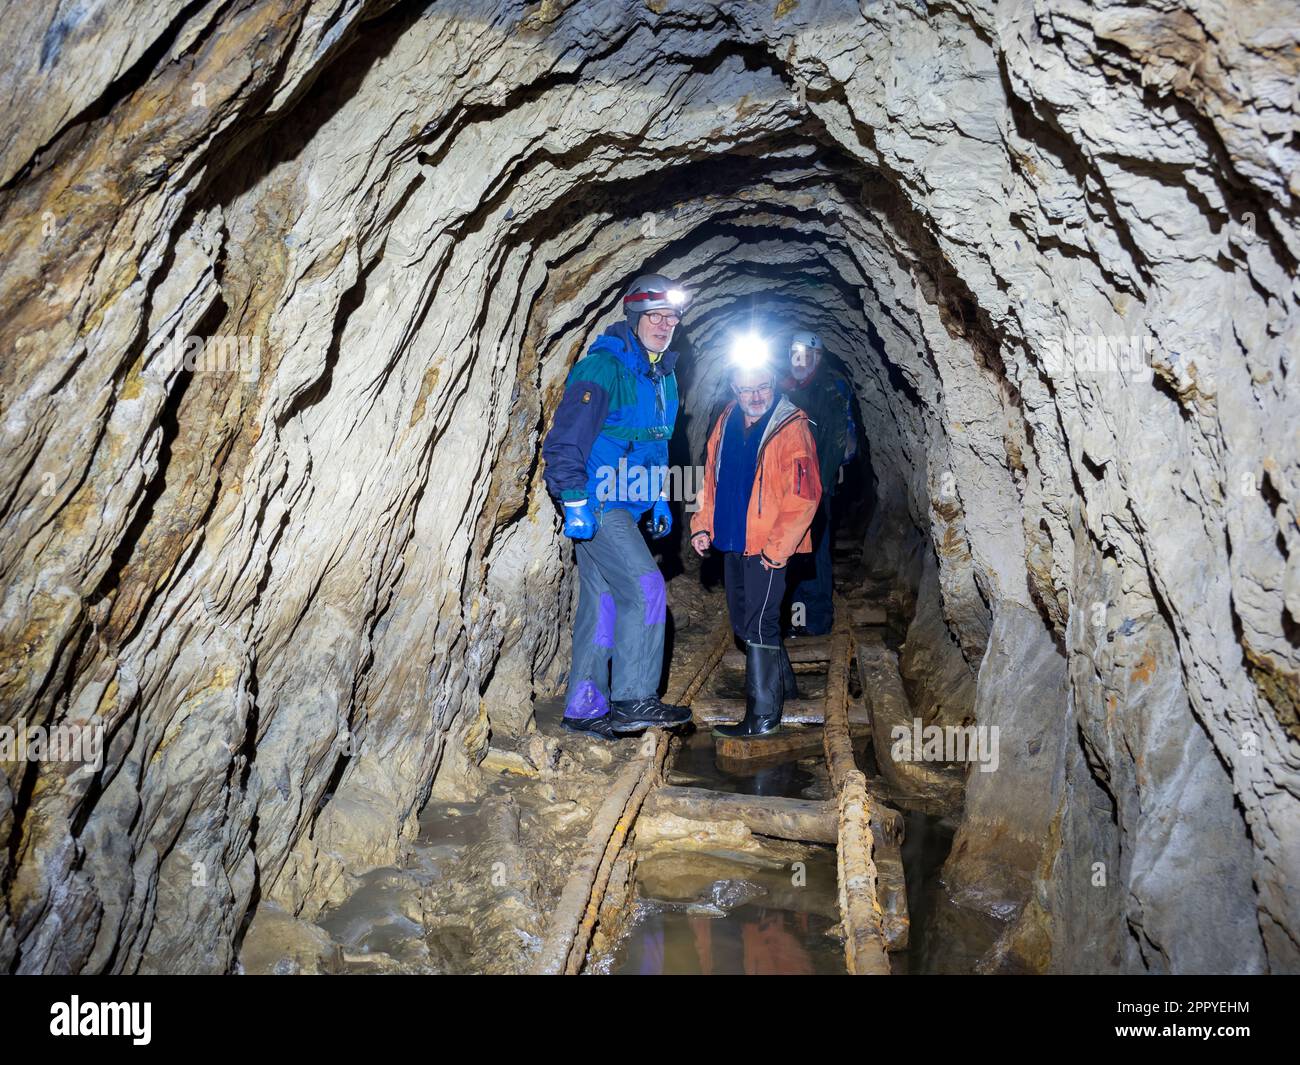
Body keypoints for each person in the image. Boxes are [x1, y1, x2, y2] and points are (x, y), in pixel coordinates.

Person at [541, 274, 695, 740]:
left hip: (629, 501)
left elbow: (656, 444)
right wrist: (573, 498)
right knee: (646, 588)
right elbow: (564, 441)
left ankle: (586, 707)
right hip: (599, 500)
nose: (664, 325)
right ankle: (633, 700)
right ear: (634, 317)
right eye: (655, 316)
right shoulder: (602, 368)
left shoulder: (664, 375)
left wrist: (661, 495)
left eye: (671, 317)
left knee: (604, 602)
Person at [689, 356, 822, 738]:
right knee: (744, 623)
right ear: (734, 388)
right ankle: (786, 689)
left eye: (763, 387)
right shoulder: (726, 419)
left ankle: (763, 716)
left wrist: (776, 552)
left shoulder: (792, 427)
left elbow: (805, 496)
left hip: (767, 547)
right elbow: (709, 478)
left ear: (774, 385)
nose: (756, 395)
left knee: (760, 624)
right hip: (732, 540)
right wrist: (701, 525)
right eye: (747, 388)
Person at [781, 331, 855, 636]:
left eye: (805, 354)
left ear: (817, 357)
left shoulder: (830, 387)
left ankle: (816, 621)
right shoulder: (787, 388)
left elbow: (838, 438)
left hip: (814, 486)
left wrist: (820, 486)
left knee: (813, 552)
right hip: (786, 487)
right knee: (790, 550)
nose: (798, 360)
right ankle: (795, 618)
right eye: (793, 353)